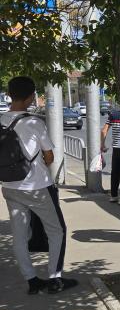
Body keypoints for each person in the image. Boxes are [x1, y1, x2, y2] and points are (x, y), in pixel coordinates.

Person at [0, 76, 78, 294]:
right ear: (30, 96)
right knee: (57, 230)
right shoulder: (34, 122)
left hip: (10, 186)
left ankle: (32, 281)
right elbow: (50, 156)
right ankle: (55, 278)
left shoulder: (1, 120)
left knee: (19, 235)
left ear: (10, 94)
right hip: (37, 187)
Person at [101, 106, 120, 204]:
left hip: (116, 149)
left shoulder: (113, 115)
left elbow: (103, 131)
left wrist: (102, 145)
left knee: (115, 172)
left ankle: (114, 195)